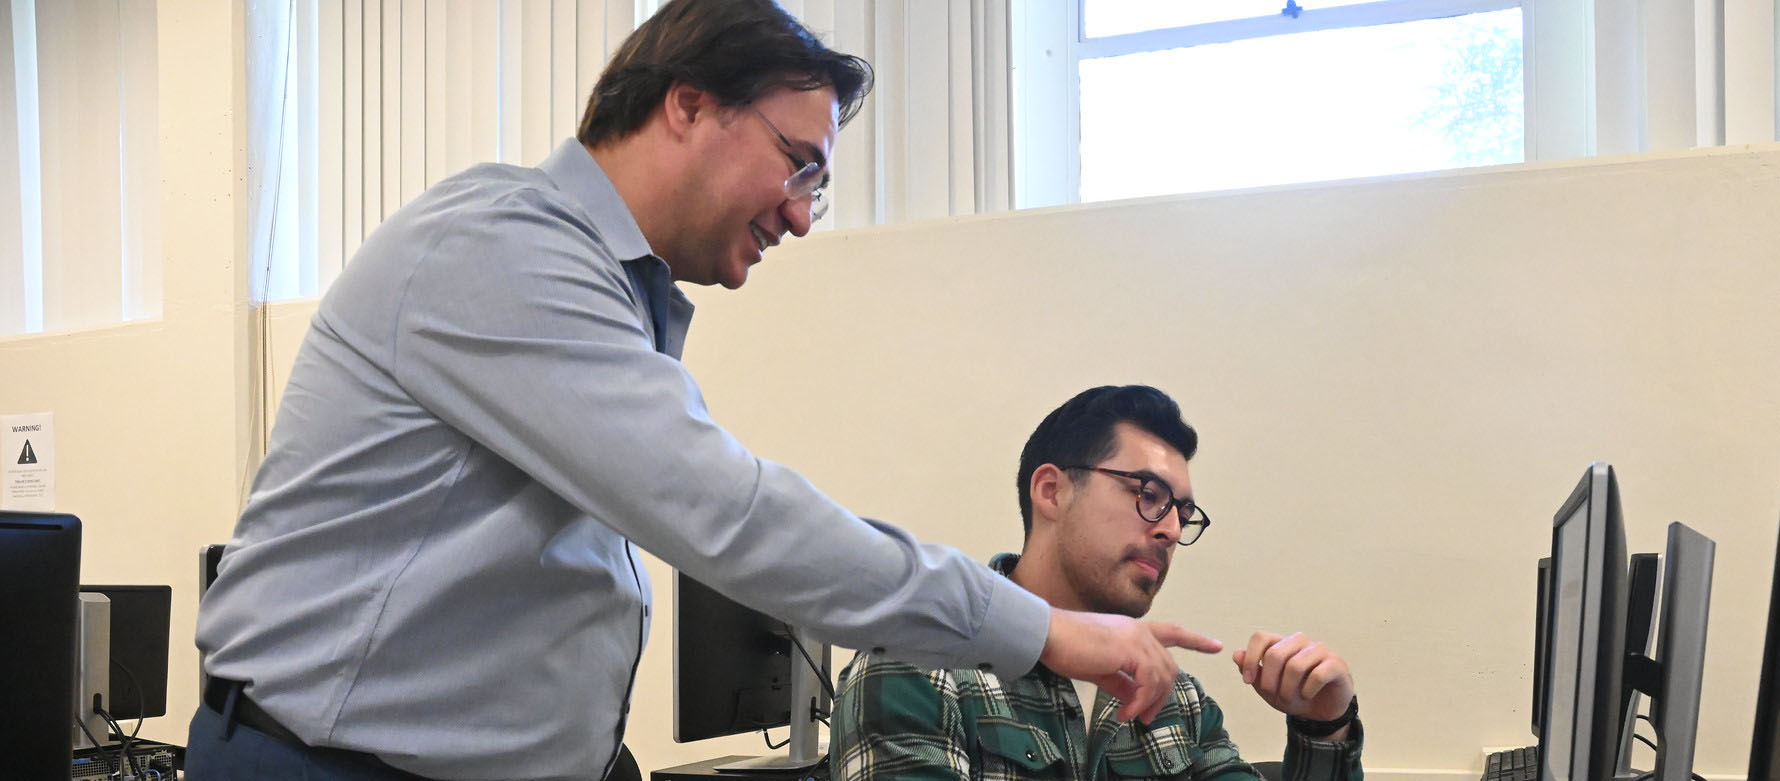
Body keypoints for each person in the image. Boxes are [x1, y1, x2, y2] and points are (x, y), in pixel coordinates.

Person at [186, 3, 1217, 780]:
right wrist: (1040, 628)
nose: (802, 215)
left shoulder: (612, 296)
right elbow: (729, 514)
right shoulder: (498, 246)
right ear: (687, 105)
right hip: (325, 761)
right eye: (798, 165)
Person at [830, 385, 1366, 780]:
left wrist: (1325, 728)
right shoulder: (918, 665)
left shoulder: (1175, 698)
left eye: (1182, 512)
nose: (1171, 529)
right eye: (1149, 494)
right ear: (1052, 491)